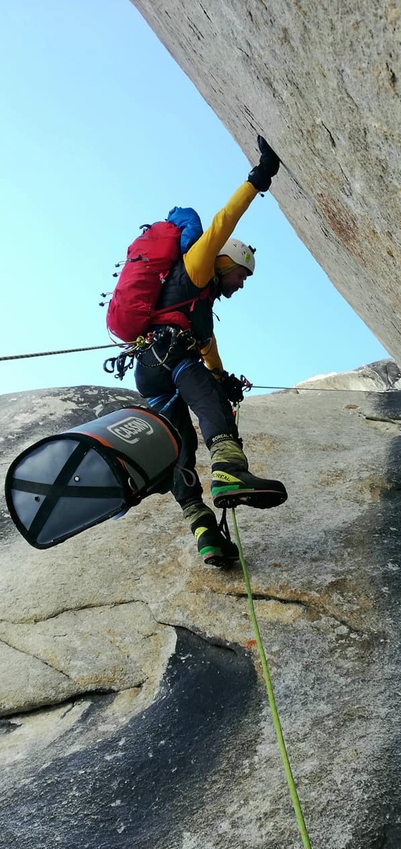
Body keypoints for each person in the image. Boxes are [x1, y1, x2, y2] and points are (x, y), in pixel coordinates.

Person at [134, 136, 287, 567]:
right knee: (210, 405)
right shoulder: (198, 266)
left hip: (153, 369)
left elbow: (209, 351)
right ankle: (228, 471)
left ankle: (205, 532)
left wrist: (222, 378)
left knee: (180, 447)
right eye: (241, 275)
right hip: (170, 357)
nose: (240, 285)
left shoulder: (201, 310)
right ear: (225, 263)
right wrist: (260, 177)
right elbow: (223, 222)